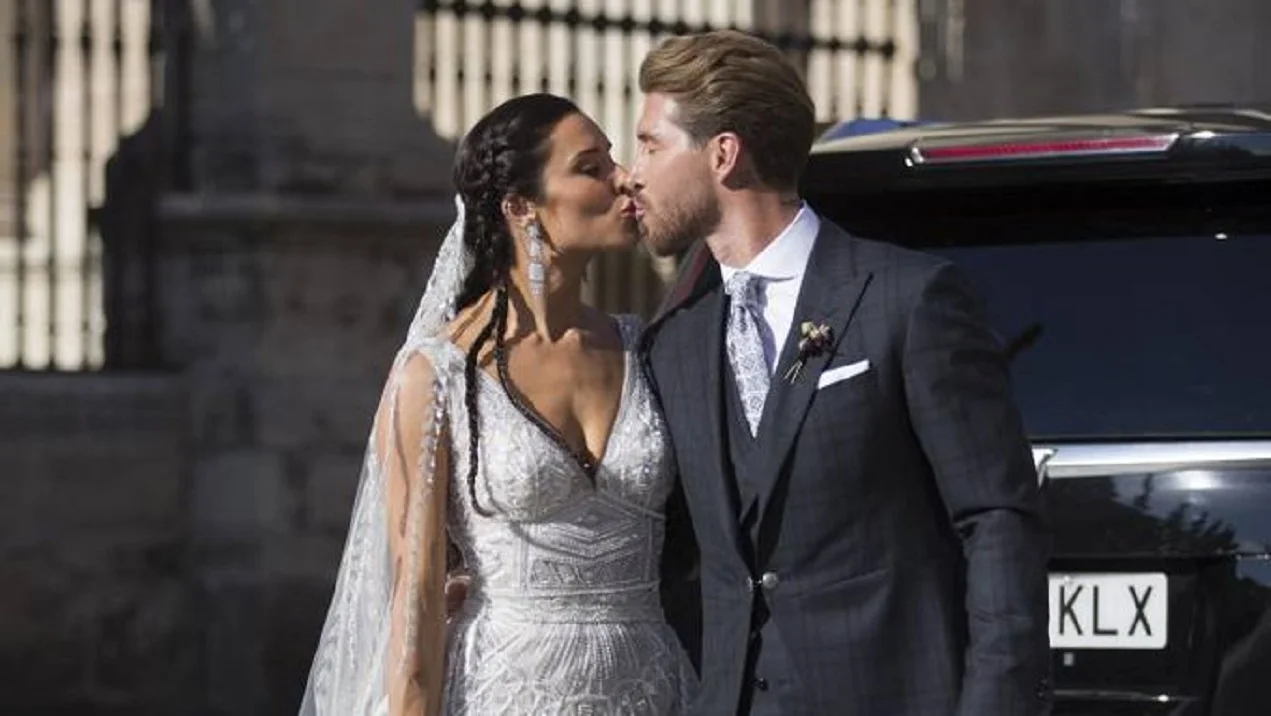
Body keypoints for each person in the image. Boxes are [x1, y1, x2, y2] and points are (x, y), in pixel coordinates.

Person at [632, 30, 1053, 715]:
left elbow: (996, 519)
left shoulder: (908, 299)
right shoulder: (673, 340)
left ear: (723, 154)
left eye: (651, 145)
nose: (633, 172)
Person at [298, 93, 696, 715]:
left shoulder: (642, 348)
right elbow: (417, 598)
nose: (624, 178)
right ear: (520, 207)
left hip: (654, 690)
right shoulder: (438, 376)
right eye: (590, 168)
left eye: (614, 159)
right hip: (501, 692)